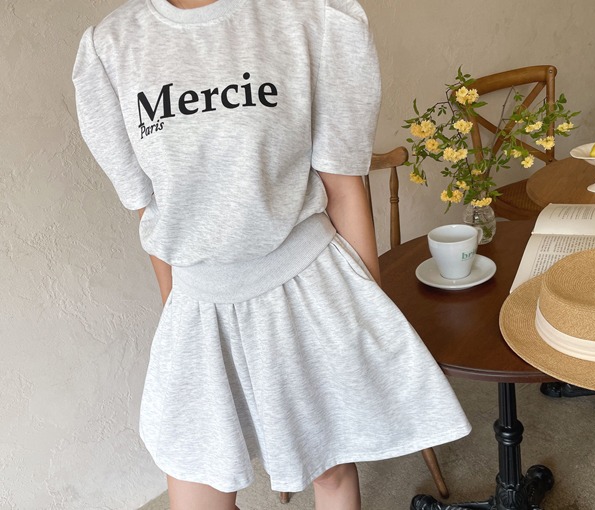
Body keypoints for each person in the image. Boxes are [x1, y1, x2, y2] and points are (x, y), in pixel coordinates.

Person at [72, 0, 471, 509]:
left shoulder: (308, 16)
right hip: (199, 304)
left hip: (308, 283)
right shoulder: (110, 48)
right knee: (197, 481)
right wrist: (177, 312)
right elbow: (149, 213)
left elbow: (343, 188)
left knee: (330, 469)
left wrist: (368, 316)